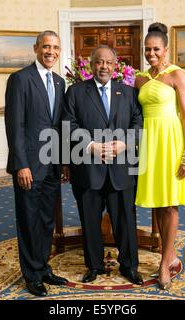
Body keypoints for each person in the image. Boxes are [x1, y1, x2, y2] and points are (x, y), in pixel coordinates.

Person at [64, 45, 144, 285]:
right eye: (99, 62)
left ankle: (129, 266)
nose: (104, 67)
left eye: (109, 62)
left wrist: (125, 144)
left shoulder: (128, 93)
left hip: (121, 168)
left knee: (126, 221)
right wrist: (91, 147)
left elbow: (138, 123)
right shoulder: (76, 92)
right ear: (91, 64)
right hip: (89, 168)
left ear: (116, 65)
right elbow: (69, 124)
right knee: (89, 220)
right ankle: (94, 266)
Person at [134, 23, 185, 290]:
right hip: (150, 143)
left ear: (166, 49)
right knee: (157, 202)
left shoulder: (178, 76)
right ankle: (170, 253)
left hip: (172, 143)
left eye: (156, 49)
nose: (151, 54)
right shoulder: (139, 78)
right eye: (147, 49)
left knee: (171, 204)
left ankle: (164, 264)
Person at [4, 30, 68, 297]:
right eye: (45, 46)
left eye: (54, 47)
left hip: (52, 165)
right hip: (29, 165)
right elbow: (14, 125)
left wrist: (64, 162)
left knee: (45, 220)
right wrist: (21, 164)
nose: (50, 52)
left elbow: (61, 125)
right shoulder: (20, 79)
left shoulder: (60, 81)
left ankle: (43, 268)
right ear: (35, 48)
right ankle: (31, 275)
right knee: (29, 220)